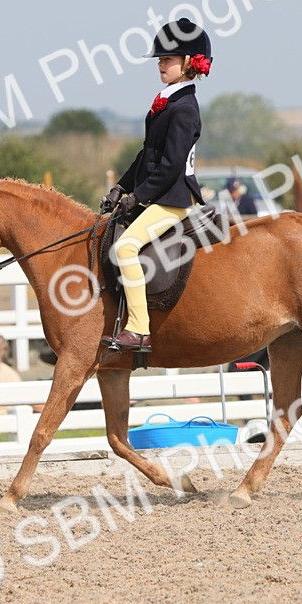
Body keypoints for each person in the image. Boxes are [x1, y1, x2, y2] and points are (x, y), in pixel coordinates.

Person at [100, 18, 212, 353]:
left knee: (126, 248)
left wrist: (138, 197)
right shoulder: (167, 101)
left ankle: (138, 330)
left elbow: (171, 166)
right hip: (159, 195)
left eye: (167, 59)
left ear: (189, 63)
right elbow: (146, 154)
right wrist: (121, 187)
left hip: (174, 199)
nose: (160, 64)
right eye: (160, 59)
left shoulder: (184, 108)